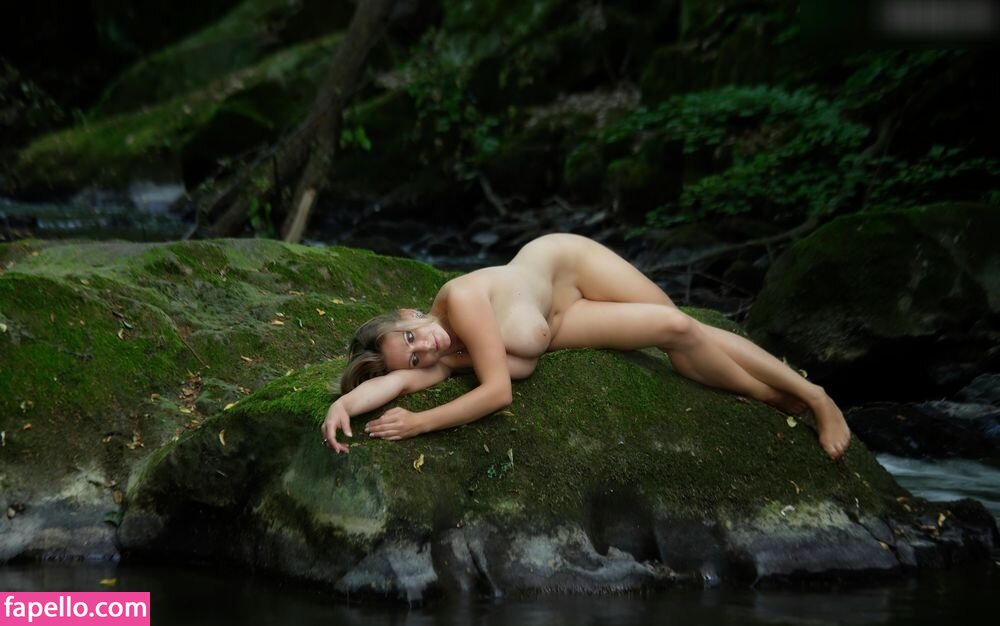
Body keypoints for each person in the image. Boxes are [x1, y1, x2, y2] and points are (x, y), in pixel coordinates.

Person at [322, 233, 851, 459]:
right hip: (562, 323)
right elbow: (396, 380)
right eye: (416, 355)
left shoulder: (460, 301)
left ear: (409, 314)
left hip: (566, 265)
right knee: (679, 338)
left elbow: (498, 393)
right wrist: (341, 405)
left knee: (682, 324)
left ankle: (816, 396)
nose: (425, 347)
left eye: (411, 336)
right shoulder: (443, 358)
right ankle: (771, 396)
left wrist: (421, 423)